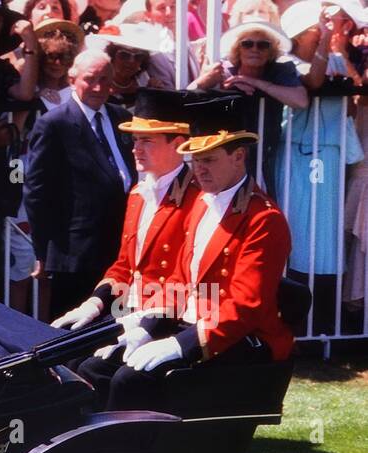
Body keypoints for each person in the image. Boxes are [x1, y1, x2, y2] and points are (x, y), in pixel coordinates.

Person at [77, 93, 293, 412]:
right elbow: (178, 282)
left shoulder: (263, 219)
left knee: (130, 381)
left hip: (239, 338)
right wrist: (144, 329)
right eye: (195, 161)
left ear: (239, 157)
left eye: (209, 160)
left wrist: (183, 344)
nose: (200, 171)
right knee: (94, 370)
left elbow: (246, 305)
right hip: (188, 323)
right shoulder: (202, 206)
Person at [53, 89, 197, 332]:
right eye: (136, 140)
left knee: (90, 367)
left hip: (165, 316)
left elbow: (185, 278)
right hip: (125, 307)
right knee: (60, 345)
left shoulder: (197, 199)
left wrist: (143, 323)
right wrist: (96, 301)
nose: (136, 149)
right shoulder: (138, 194)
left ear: (178, 144)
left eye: (147, 141)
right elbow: (124, 264)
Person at [23, 48, 134, 318]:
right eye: (90, 79)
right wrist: (42, 250)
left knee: (114, 327)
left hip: (120, 248)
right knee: (73, 331)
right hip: (75, 253)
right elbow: (37, 191)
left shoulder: (123, 118)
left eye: (106, 80)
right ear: (73, 79)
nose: (99, 87)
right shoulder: (54, 124)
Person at [276, 0, 363, 330]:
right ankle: (295, 322)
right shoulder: (285, 63)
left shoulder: (337, 59)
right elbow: (311, 82)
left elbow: (352, 109)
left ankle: (323, 324)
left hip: (327, 156)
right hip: (294, 156)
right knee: (295, 231)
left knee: (326, 239)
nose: (324, 34)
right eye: (317, 29)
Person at [189, 17, 305, 185]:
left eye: (263, 45)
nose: (255, 49)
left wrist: (255, 83)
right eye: (247, 44)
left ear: (271, 51)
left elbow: (301, 101)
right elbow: (183, 103)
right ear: (238, 48)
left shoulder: (280, 70)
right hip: (224, 156)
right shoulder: (222, 70)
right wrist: (203, 81)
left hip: (263, 156)